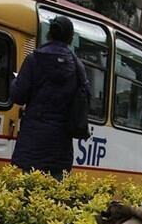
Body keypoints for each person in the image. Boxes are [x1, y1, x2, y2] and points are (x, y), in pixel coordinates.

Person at [10, 15, 88, 181]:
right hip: (60, 147)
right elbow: (84, 98)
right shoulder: (77, 67)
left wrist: (14, 82)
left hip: (32, 143)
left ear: (49, 34)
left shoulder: (34, 60)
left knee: (28, 195)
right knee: (53, 199)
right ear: (70, 38)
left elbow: (18, 95)